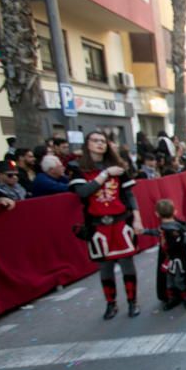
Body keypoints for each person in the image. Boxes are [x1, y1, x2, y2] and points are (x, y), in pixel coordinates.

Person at [68, 131, 143, 319]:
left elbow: (129, 195)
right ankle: (111, 304)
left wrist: (137, 217)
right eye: (95, 141)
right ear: (88, 144)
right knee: (105, 267)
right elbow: (83, 192)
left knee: (127, 264)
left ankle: (132, 302)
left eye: (103, 141)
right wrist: (105, 175)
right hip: (97, 226)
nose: (100, 144)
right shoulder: (78, 167)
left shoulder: (118, 167)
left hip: (119, 222)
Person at [141, 199, 186, 310]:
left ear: (157, 214)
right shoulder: (165, 228)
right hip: (169, 260)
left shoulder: (173, 229)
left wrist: (144, 231)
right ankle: (175, 299)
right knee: (171, 281)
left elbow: (184, 239)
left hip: (175, 260)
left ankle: (185, 299)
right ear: (175, 212)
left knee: (177, 280)